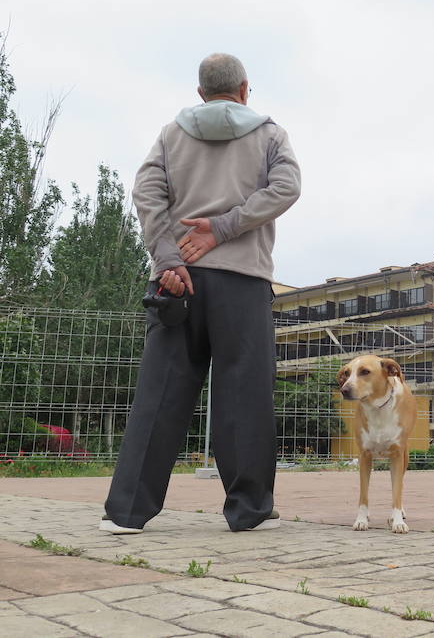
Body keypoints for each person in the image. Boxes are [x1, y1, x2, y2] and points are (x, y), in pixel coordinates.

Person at [100, 53, 301, 534]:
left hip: (177, 282)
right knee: (244, 394)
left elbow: (146, 193)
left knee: (160, 393)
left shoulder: (171, 135)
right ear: (245, 89)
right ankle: (249, 510)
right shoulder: (270, 134)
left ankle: (127, 513)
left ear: (200, 94)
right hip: (243, 280)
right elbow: (287, 187)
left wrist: (168, 257)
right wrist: (225, 226)